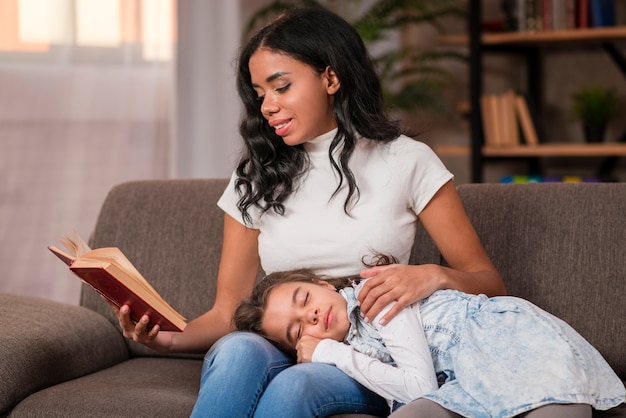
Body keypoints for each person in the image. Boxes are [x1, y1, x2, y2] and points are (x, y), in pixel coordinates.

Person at [109, 6, 508, 417]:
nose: (267, 106)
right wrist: (166, 340)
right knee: (238, 351)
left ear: (330, 78)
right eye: (260, 93)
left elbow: (488, 282)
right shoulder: (255, 175)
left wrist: (431, 275)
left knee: (296, 385)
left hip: (369, 352)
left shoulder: (408, 161)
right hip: (280, 344)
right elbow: (228, 312)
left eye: (281, 87)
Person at [234, 255, 626, 418]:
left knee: (550, 402)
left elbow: (417, 383)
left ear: (320, 283)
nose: (312, 315)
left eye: (304, 299)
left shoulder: (378, 296)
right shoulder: (357, 343)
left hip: (514, 347)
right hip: (460, 380)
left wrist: (330, 353)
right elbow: (416, 394)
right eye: (298, 329)